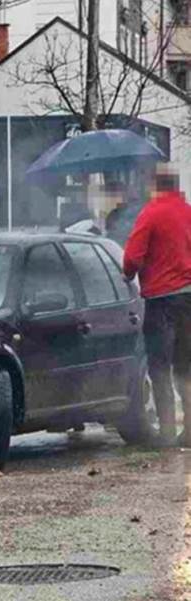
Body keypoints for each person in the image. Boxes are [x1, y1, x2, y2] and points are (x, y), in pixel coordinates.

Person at [123, 164, 191, 446]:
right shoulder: (188, 212)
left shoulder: (151, 214)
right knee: (186, 367)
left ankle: (165, 433)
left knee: (160, 367)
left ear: (155, 186)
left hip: (162, 301)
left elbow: (132, 257)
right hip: (189, 299)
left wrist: (128, 274)